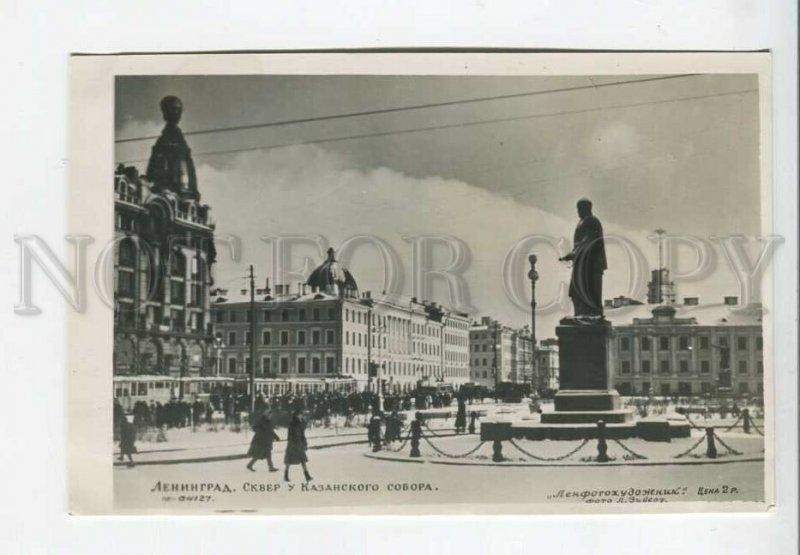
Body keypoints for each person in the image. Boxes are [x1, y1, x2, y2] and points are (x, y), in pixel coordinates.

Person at [559, 198, 607, 318]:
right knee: (577, 290)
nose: (578, 211)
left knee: (586, 289)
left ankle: (589, 315)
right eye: (577, 208)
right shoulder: (583, 221)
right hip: (582, 262)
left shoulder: (591, 221)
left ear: (587, 208)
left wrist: (572, 254)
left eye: (579, 208)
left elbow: (588, 241)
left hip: (590, 263)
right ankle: (582, 315)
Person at [284, 408, 312, 482]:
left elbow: (302, 434)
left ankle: (307, 475)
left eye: (301, 415)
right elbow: (290, 434)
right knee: (289, 461)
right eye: (300, 415)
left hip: (299, 443)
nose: (301, 416)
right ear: (296, 415)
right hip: (292, 444)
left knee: (303, 460)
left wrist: (305, 443)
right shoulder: (292, 423)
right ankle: (286, 475)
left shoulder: (300, 424)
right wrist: (293, 441)